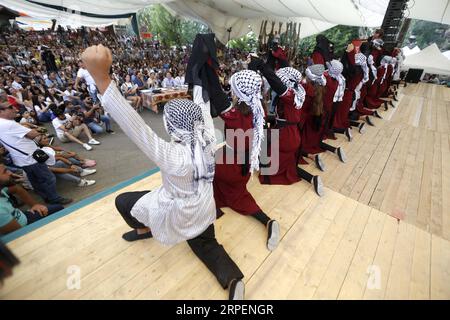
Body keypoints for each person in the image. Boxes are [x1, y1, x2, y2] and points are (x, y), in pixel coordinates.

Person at [81, 44, 245, 300]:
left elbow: (135, 126)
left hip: (179, 211)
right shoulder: (208, 140)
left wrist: (102, 79)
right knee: (207, 245)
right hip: (204, 207)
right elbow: (200, 107)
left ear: (171, 126)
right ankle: (233, 280)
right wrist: (201, 67)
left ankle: (144, 230)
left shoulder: (172, 155)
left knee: (123, 201)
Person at [213, 70, 280, 251]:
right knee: (237, 192)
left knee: (206, 172)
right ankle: (268, 222)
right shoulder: (259, 108)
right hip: (246, 165)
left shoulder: (235, 114)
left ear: (239, 91)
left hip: (231, 165)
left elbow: (215, 93)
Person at [0, 102, 72, 205]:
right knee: (49, 178)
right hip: (30, 158)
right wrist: (36, 129)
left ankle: (46, 197)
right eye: (10, 107)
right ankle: (54, 198)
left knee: (36, 181)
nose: (14, 109)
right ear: (1, 111)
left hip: (20, 159)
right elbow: (33, 134)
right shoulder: (9, 124)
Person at [0, 164, 64, 235]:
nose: (10, 173)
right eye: (5, 172)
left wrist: (34, 204)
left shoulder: (2, 189)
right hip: (24, 228)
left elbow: (16, 188)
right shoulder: (1, 212)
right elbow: (20, 235)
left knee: (58, 208)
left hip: (20, 217)